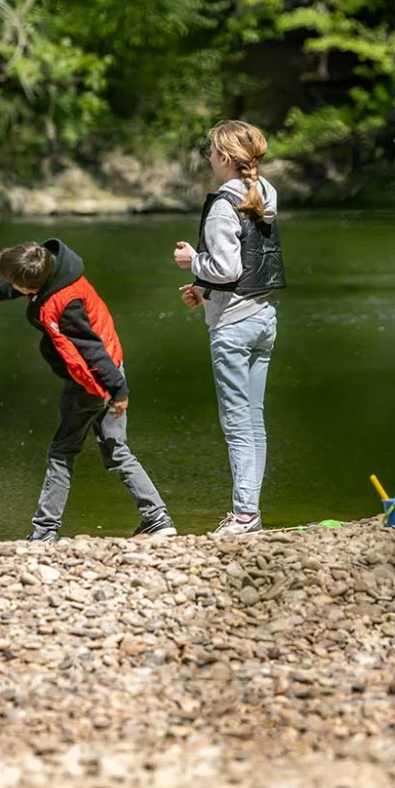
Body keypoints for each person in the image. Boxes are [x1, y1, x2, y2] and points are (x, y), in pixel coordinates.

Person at [0, 238, 176, 542]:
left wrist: (118, 391)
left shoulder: (64, 303)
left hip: (93, 382)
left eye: (15, 284)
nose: (12, 288)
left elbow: (91, 349)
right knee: (117, 451)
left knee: (62, 451)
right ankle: (157, 518)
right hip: (113, 369)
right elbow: (5, 287)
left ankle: (44, 532)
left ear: (29, 286)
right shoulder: (55, 272)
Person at [174, 120, 286, 536]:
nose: (208, 159)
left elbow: (226, 267)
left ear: (224, 158)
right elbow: (251, 263)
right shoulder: (265, 192)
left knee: (237, 424)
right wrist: (202, 290)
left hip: (234, 327)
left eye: (211, 153)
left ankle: (243, 515)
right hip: (264, 318)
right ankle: (250, 512)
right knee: (253, 420)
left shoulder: (224, 204)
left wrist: (193, 262)